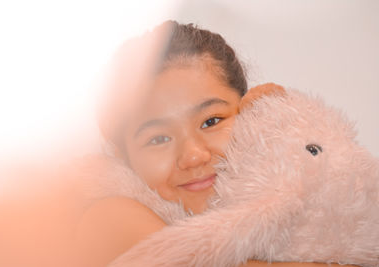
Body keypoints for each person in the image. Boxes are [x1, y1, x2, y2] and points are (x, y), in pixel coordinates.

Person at [74, 21, 355, 267]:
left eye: (211, 121)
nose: (193, 156)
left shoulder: (300, 200)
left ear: (253, 112)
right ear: (122, 156)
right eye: (158, 138)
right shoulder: (109, 217)